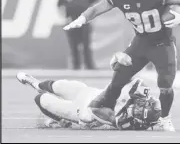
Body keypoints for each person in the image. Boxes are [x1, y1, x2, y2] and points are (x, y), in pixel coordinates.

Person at [63, 0, 180, 131]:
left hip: (163, 43)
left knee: (165, 84)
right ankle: (105, 111)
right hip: (141, 42)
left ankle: (165, 117)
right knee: (118, 77)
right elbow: (96, 8)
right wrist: (82, 18)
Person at [16, 52, 161, 130]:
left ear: (139, 117)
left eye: (142, 107)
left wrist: (111, 89)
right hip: (88, 92)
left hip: (83, 111)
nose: (141, 102)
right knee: (58, 85)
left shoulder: (123, 121)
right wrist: (119, 60)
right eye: (144, 102)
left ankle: (60, 120)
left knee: (42, 100)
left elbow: (94, 106)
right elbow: (129, 75)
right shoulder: (138, 90)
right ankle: (35, 83)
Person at [57, 0, 97, 69]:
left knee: (86, 45)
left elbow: (94, 3)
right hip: (71, 21)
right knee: (74, 46)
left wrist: (92, 17)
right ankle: (76, 67)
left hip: (85, 21)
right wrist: (64, 18)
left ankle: (90, 67)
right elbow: (60, 5)